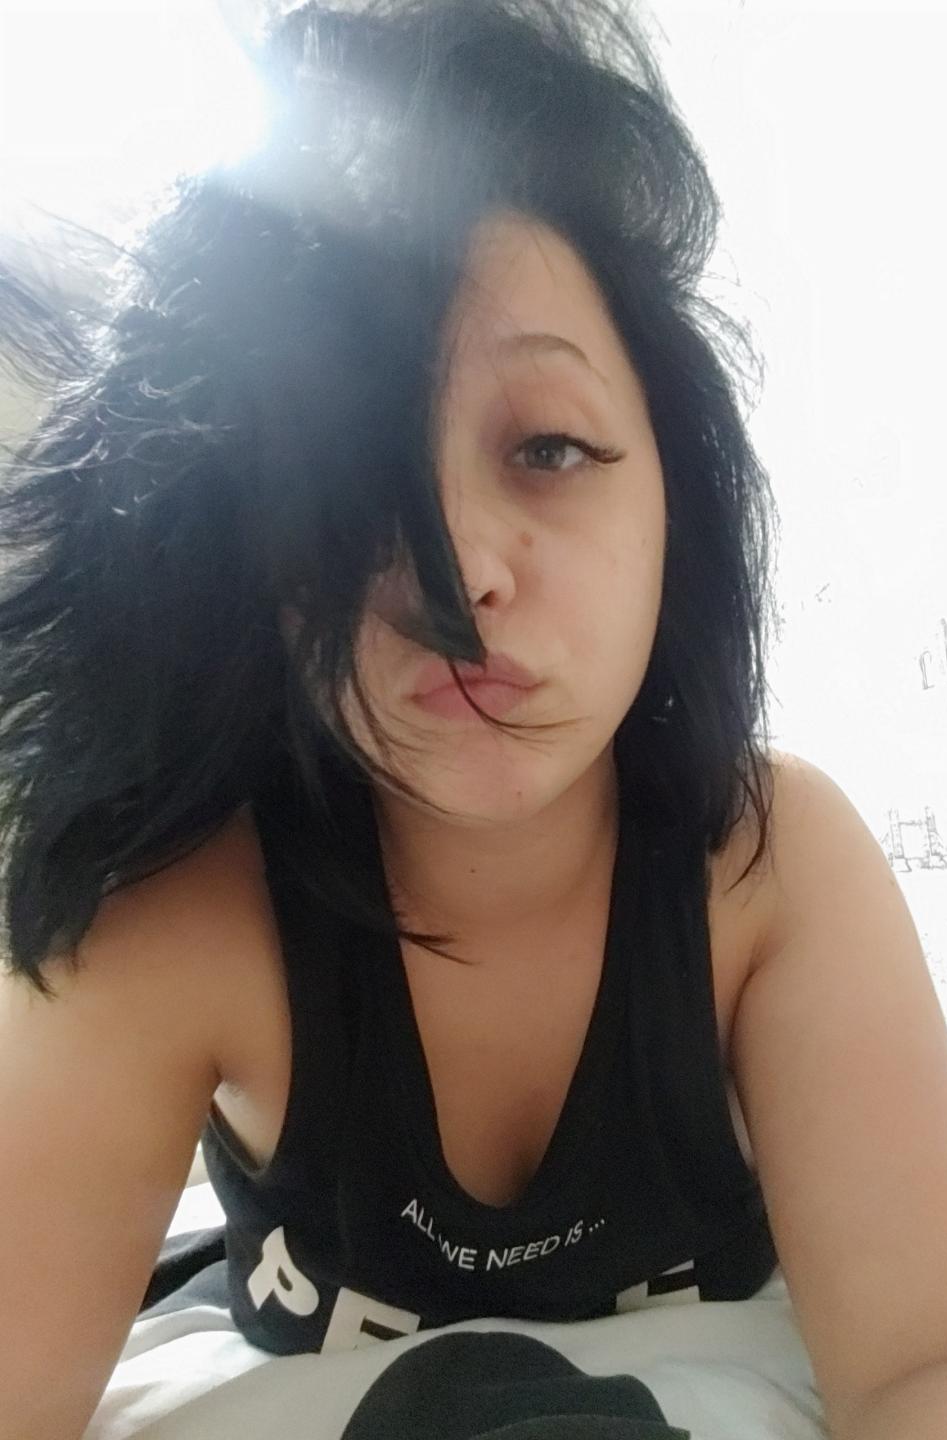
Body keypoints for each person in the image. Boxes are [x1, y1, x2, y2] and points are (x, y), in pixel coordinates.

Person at [0, 0, 782, 1435]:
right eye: (350, 486)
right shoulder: (182, 915)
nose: (456, 569)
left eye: (549, 446)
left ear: (680, 495)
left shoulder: (768, 869)